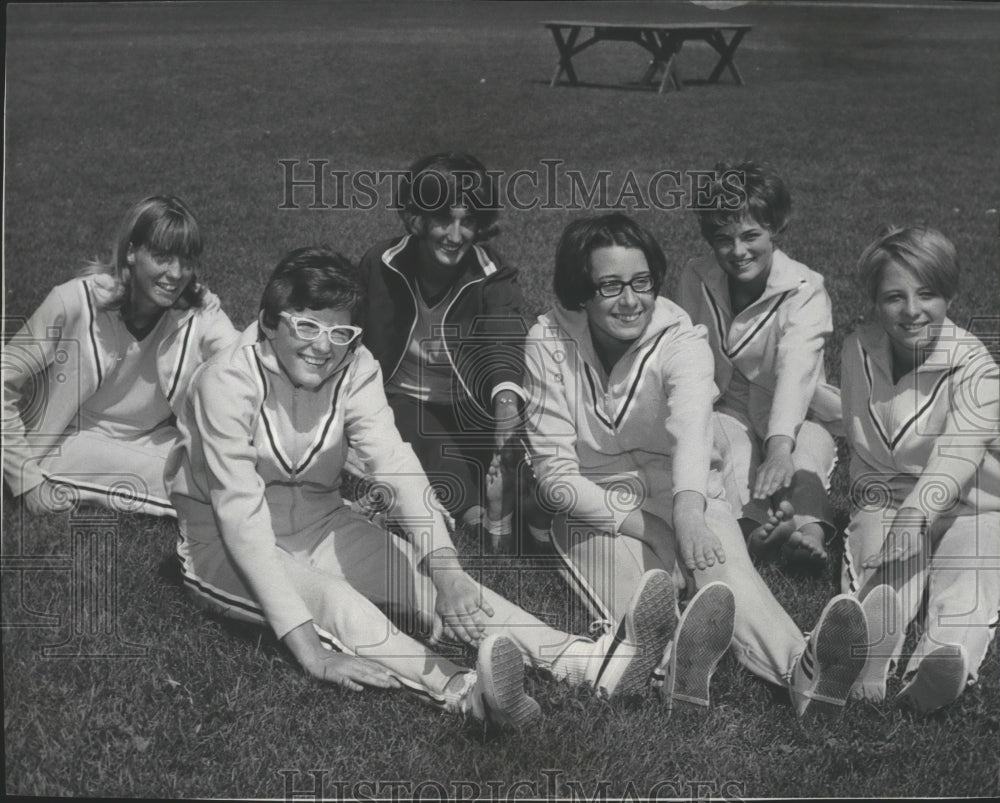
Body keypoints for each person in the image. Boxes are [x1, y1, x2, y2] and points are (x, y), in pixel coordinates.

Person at [164, 245, 693, 729]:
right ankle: (465, 691)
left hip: (323, 522)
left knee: (431, 584)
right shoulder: (225, 381)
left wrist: (447, 571)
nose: (323, 348)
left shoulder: (357, 366)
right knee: (336, 600)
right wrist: (311, 652)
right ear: (267, 324)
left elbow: (396, 466)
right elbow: (240, 519)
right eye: (306, 327)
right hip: (224, 547)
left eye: (340, 333)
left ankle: (585, 661)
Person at [525, 213, 870, 717]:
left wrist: (687, 517)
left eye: (642, 282)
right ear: (581, 290)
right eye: (610, 286)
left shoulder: (682, 336)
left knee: (728, 572)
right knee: (648, 590)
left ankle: (803, 669)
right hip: (590, 504)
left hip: (678, 486)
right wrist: (657, 532)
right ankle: (669, 666)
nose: (630, 300)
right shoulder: (546, 341)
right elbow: (555, 479)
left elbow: (691, 430)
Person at [840, 226, 1000, 713]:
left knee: (970, 580)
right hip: (886, 498)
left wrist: (917, 516)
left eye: (927, 293)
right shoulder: (857, 350)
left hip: (973, 505)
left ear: (949, 293)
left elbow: (958, 452)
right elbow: (859, 437)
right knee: (884, 574)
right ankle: (869, 653)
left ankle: (939, 662)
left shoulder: (977, 364)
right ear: (874, 301)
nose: (911, 310)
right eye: (894, 296)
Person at [2, 195, 237, 516]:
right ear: (131, 252)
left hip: (154, 439)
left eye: (186, 260)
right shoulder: (73, 302)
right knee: (208, 489)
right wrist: (27, 480)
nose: (176, 273)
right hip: (68, 439)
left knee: (227, 470)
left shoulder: (196, 311)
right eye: (162, 257)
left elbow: (244, 366)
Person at [356, 152, 528, 549]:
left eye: (467, 221)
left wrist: (505, 402)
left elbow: (505, 335)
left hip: (471, 400)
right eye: (442, 219)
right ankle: (474, 514)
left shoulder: (492, 273)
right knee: (423, 434)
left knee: (513, 442)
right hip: (404, 396)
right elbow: (351, 331)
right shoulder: (381, 263)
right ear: (417, 217)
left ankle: (520, 504)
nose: (454, 236)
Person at [677, 162, 840, 570]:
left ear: (776, 229)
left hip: (797, 408)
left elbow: (796, 370)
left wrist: (780, 446)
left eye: (751, 236)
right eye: (723, 240)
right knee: (727, 453)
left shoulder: (805, 288)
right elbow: (682, 348)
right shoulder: (697, 276)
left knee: (805, 457)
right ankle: (756, 532)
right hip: (728, 403)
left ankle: (810, 535)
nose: (738, 251)